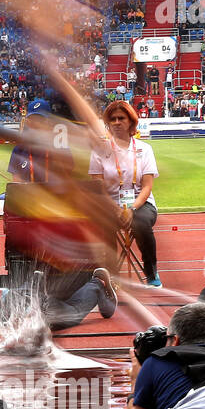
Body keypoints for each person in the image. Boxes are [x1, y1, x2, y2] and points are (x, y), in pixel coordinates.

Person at [0, 266, 117, 343]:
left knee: (74, 313)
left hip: (39, 305)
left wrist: (18, 329)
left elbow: (44, 334)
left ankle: (96, 284)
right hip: (21, 293)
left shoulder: (14, 303)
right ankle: (35, 281)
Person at [88, 100, 161, 287]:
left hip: (141, 204)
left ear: (131, 122)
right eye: (112, 119)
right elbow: (98, 187)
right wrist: (116, 209)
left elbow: (147, 187)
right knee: (103, 222)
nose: (117, 122)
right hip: (109, 204)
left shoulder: (145, 149)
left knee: (141, 222)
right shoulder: (99, 151)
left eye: (122, 118)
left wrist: (131, 208)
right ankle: (112, 277)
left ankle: (152, 273)